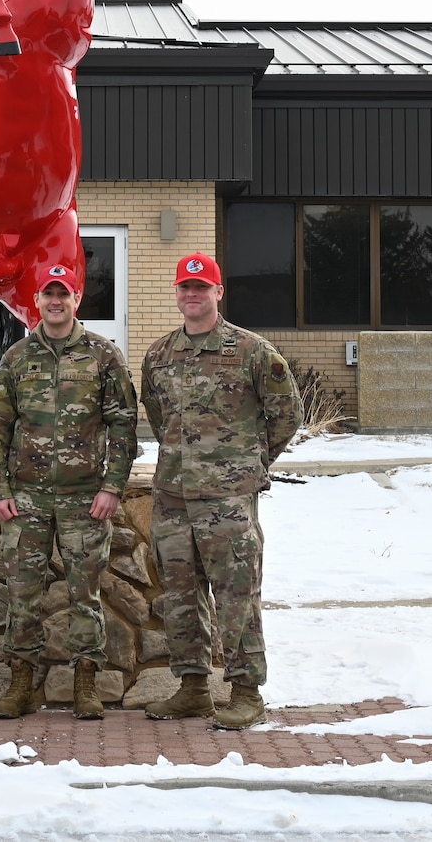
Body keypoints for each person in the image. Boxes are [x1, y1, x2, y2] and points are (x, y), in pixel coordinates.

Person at [139, 251, 301, 730]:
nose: (193, 295)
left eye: (201, 287)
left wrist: (245, 465)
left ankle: (246, 692)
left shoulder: (251, 351)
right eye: (185, 288)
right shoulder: (159, 355)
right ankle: (192, 688)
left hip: (227, 502)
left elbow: (286, 416)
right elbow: (157, 415)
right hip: (172, 497)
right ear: (177, 293)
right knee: (180, 596)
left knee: (236, 596)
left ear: (217, 292)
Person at [0, 264, 138, 720]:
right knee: (22, 594)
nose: (55, 302)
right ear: (37, 300)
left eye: (64, 294)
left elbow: (123, 427)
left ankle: (85, 683)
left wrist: (113, 486)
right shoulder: (16, 357)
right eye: (48, 294)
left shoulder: (104, 356)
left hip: (84, 500)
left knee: (85, 595)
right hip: (26, 499)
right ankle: (20, 683)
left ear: (76, 299)